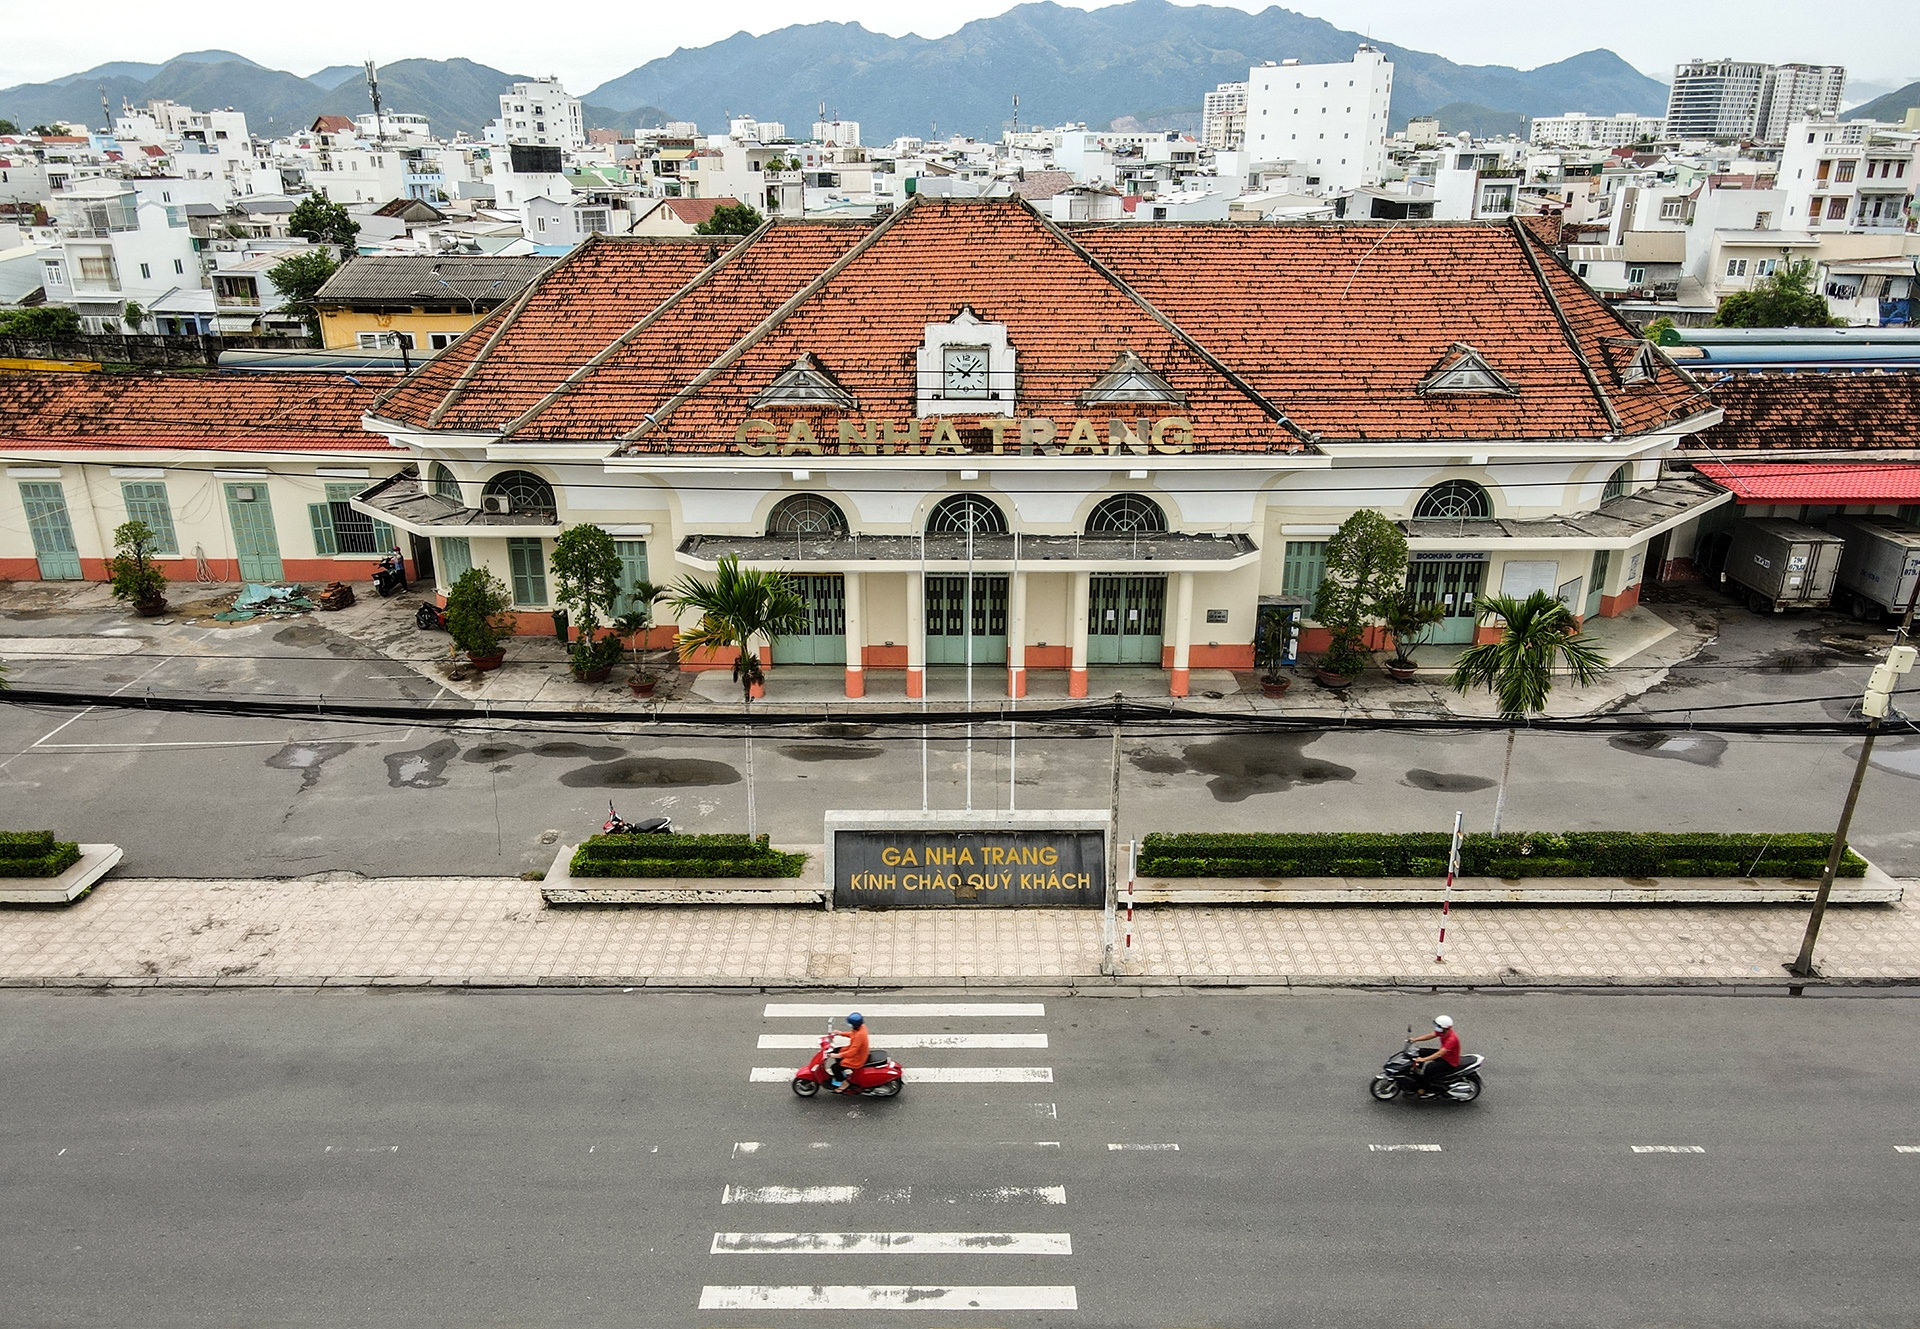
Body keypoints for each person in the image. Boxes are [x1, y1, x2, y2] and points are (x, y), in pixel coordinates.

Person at [1408, 1014, 1461, 1096]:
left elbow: (1440, 1054)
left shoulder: (1451, 1039)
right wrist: (1415, 1039)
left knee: (1429, 1068)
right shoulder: (1443, 1032)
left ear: (1445, 1028)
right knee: (1420, 1052)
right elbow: (1430, 1035)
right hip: (1444, 1055)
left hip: (1449, 1061)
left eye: (1438, 1026)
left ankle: (1423, 1088)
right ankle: (1417, 1072)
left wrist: (1424, 1059)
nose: (1437, 1028)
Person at [829, 1012, 869, 1093]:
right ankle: (843, 1072)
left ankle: (844, 1082)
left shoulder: (859, 1036)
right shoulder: (861, 1027)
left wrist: (838, 1055)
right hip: (858, 1052)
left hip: (857, 1058)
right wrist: (840, 1033)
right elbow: (852, 1034)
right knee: (836, 1050)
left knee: (835, 1068)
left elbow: (852, 1052)